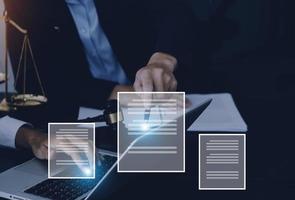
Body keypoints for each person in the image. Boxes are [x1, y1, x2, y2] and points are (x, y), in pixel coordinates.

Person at [0, 0, 196, 159]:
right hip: (91, 112)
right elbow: (35, 80)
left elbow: (175, 11)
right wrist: (115, 92)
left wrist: (163, 59)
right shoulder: (24, 5)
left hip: (172, 91)